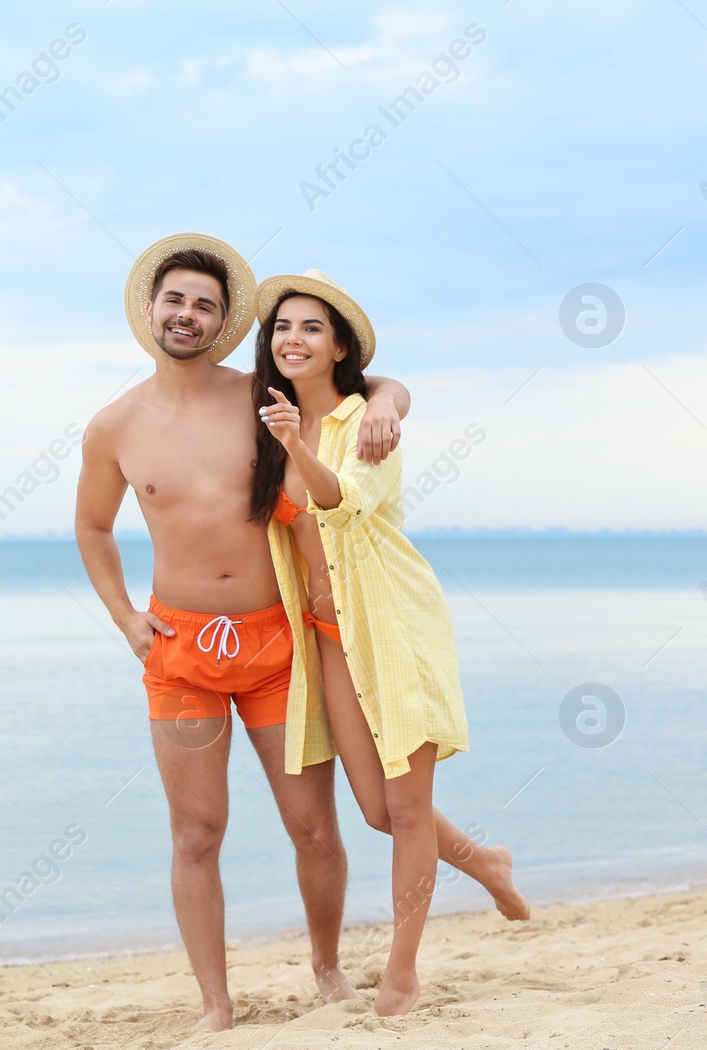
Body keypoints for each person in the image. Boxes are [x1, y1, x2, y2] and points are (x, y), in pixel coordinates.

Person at [74, 234, 410, 1031]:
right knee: (197, 833)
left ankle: (327, 968)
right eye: (175, 300)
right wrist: (127, 618)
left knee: (312, 824)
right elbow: (92, 527)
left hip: (276, 645)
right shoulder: (114, 424)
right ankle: (215, 1004)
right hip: (180, 653)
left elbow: (367, 382)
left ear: (223, 321)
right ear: (150, 311)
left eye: (204, 304)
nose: (186, 314)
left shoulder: (257, 394)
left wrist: (391, 405)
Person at [250, 270, 530, 1017]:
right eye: (282, 327)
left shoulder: (362, 423)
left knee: (409, 810)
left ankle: (402, 970)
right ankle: (487, 863)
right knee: (378, 808)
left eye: (311, 327)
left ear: (340, 344)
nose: (293, 339)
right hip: (328, 639)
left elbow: (343, 505)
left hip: (393, 628)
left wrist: (372, 403)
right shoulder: (273, 421)